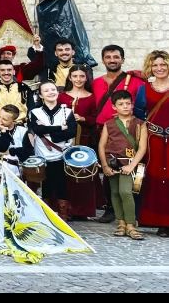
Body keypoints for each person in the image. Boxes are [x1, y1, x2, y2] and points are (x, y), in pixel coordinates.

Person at [99, 90, 148, 240]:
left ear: (132, 105)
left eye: (128, 103)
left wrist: (132, 166)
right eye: (121, 104)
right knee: (115, 193)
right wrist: (105, 166)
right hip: (113, 163)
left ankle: (131, 225)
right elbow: (101, 145)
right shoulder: (109, 124)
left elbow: (142, 148)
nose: (125, 106)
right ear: (114, 107)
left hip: (130, 164)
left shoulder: (140, 124)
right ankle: (121, 223)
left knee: (126, 192)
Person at [28, 81, 77, 219]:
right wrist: (60, 128)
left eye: (53, 89)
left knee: (61, 183)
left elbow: (71, 132)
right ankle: (47, 215)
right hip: (42, 154)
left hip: (62, 154)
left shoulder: (67, 111)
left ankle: (63, 214)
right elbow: (37, 129)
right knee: (46, 183)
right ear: (40, 95)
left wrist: (52, 135)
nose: (50, 92)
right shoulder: (35, 112)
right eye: (46, 90)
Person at [63, 65, 101, 220]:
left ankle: (82, 210)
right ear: (70, 78)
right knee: (66, 173)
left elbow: (96, 118)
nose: (78, 79)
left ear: (86, 78)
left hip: (84, 140)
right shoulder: (62, 96)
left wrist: (83, 118)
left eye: (82, 76)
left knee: (84, 173)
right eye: (75, 76)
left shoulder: (92, 97)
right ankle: (65, 208)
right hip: (65, 141)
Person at [138, 50, 169, 237]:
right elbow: (138, 114)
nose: (159, 68)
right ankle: (158, 221)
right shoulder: (144, 89)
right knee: (155, 179)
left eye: (163, 64)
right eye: (155, 65)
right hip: (152, 140)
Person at [0, 105, 32, 182]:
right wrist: (4, 131)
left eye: (4, 119)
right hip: (5, 167)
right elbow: (2, 148)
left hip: (22, 168)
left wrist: (11, 151)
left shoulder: (23, 131)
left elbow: (27, 151)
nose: (0, 121)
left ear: (13, 120)